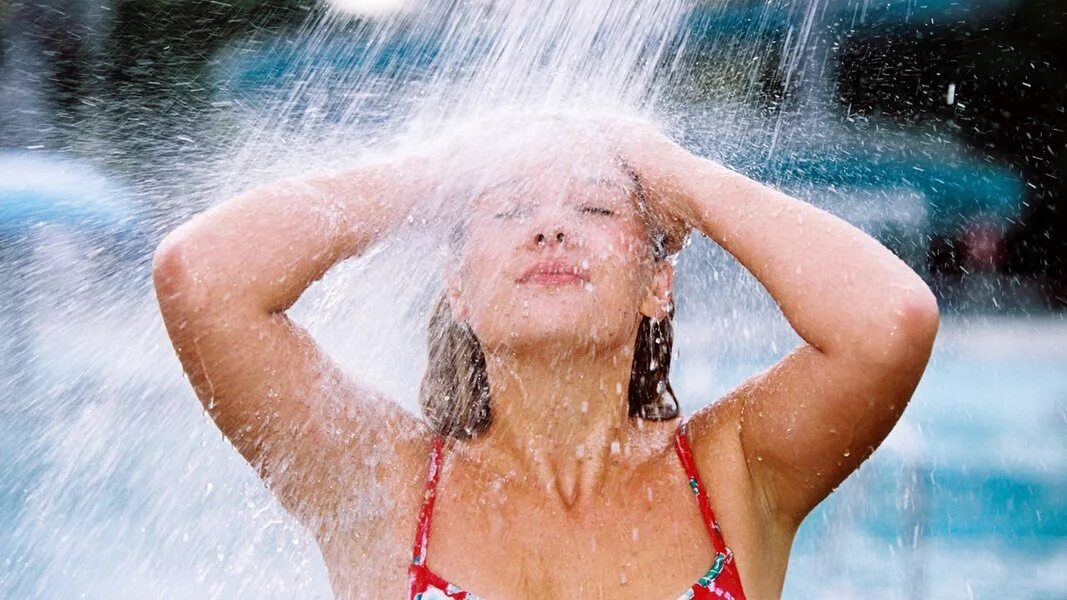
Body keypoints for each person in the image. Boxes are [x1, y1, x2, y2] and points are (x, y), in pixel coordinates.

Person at [152, 117, 939, 599]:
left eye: (596, 207)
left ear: (655, 285)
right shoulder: (382, 484)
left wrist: (677, 175)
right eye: (507, 209)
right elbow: (201, 277)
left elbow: (891, 321)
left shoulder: (734, 471)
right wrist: (430, 172)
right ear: (457, 288)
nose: (551, 229)